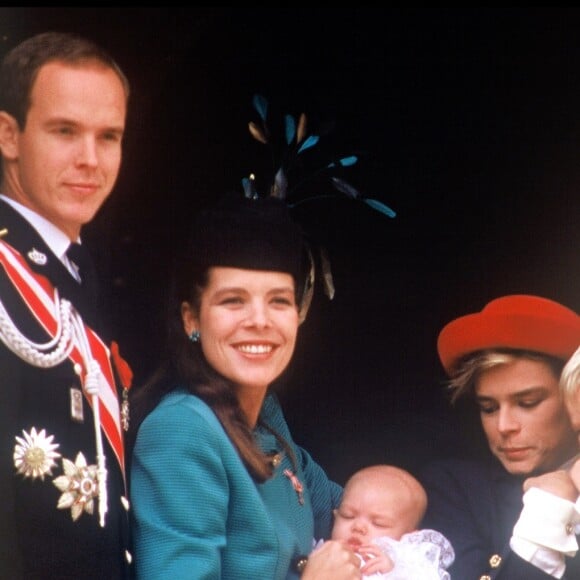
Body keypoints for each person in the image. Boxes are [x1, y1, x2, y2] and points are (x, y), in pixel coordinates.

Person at [129, 192, 362, 579]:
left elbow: (354, 510)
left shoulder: (267, 418)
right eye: (233, 301)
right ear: (191, 319)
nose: (260, 320)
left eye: (279, 301)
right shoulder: (181, 430)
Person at [0, 32, 133, 578]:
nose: (90, 159)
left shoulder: (76, 276)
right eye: (64, 132)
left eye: (109, 137)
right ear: (8, 135)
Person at [420, 294, 580, 578]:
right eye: (489, 408)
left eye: (527, 402)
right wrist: (549, 513)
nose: (504, 426)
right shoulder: (457, 489)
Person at [323, 464, 454, 578]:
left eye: (378, 523)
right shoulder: (322, 555)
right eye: (348, 516)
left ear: (408, 537)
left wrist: (392, 572)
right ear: (336, 516)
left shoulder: (409, 565)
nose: (358, 526)